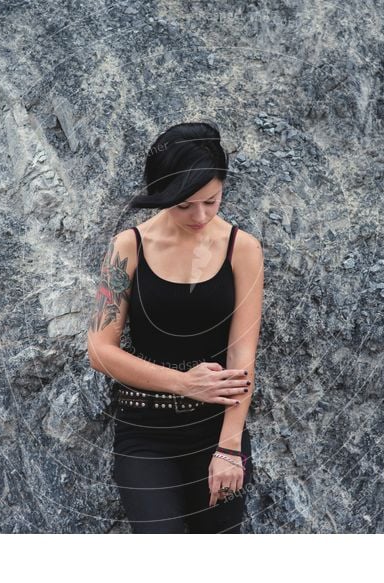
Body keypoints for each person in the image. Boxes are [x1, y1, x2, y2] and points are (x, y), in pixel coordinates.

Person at [86, 121, 264, 533]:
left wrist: (229, 448)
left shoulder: (244, 250)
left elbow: (242, 356)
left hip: (218, 433)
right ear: (163, 194)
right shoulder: (128, 247)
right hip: (144, 432)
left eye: (211, 200)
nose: (199, 215)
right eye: (184, 204)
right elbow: (99, 350)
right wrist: (183, 383)